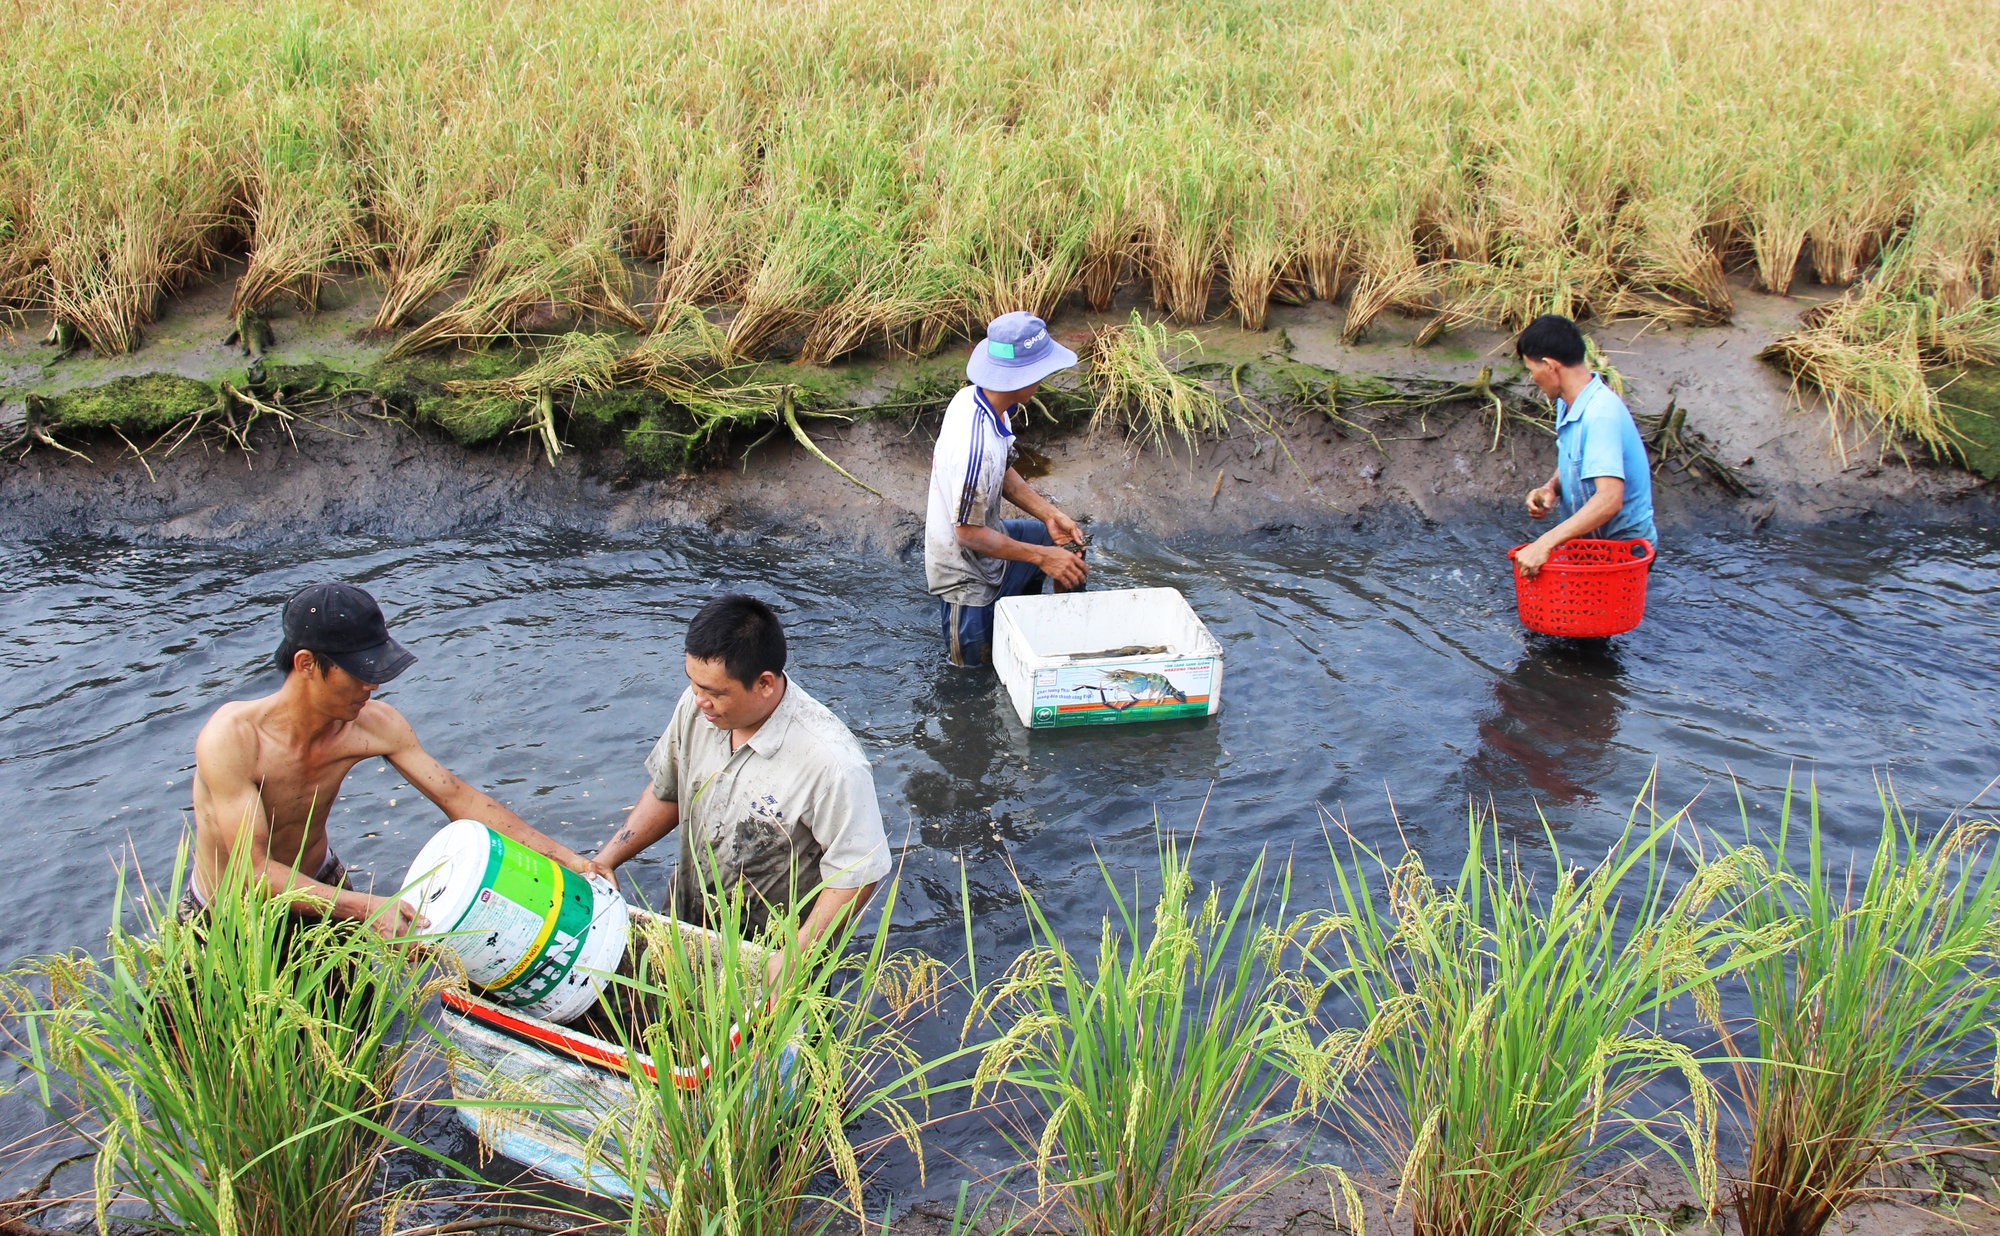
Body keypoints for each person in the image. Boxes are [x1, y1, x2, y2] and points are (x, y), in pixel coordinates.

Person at [189, 582, 597, 937]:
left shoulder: (375, 725)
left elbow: (460, 800)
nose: (373, 684)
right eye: (358, 672)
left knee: (354, 1018)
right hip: (230, 910)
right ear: (307, 664)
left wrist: (567, 859)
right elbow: (254, 871)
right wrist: (364, 906)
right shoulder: (233, 740)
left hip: (318, 880)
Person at [591, 594, 890, 969]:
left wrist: (795, 956)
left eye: (714, 693)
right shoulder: (698, 707)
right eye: (694, 684)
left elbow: (857, 871)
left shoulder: (831, 762)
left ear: (764, 683)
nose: (700, 701)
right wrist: (608, 859)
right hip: (687, 925)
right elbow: (670, 791)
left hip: (769, 954)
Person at [925, 311, 1090, 667]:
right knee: (972, 680)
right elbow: (967, 534)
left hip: (989, 545)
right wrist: (1042, 558)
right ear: (1023, 377)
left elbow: (1004, 472)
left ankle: (1061, 647)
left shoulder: (982, 400)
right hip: (966, 578)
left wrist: (1050, 514)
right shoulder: (975, 448)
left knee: (1064, 546)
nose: (1045, 379)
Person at [1514, 314, 1657, 578]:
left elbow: (1610, 499)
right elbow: (1579, 459)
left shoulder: (1600, 414)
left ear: (1549, 366)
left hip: (1621, 552)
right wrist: (1551, 488)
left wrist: (1544, 544)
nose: (1532, 378)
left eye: (1530, 369)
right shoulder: (1568, 402)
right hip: (1591, 546)